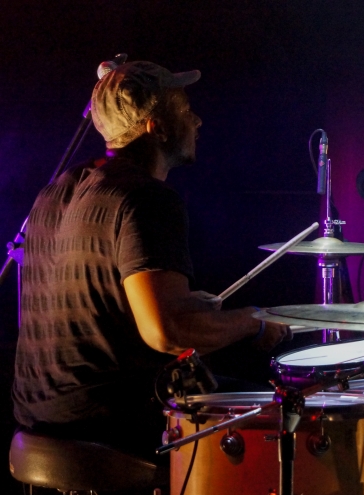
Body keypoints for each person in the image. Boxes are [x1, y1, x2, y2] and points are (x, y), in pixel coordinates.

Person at [12, 61, 291, 458]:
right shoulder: (146, 197)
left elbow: (94, 311)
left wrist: (188, 306)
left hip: (38, 419)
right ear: (156, 128)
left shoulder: (52, 194)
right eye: (185, 109)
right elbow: (167, 332)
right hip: (109, 423)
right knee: (277, 413)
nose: (197, 120)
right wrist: (253, 321)